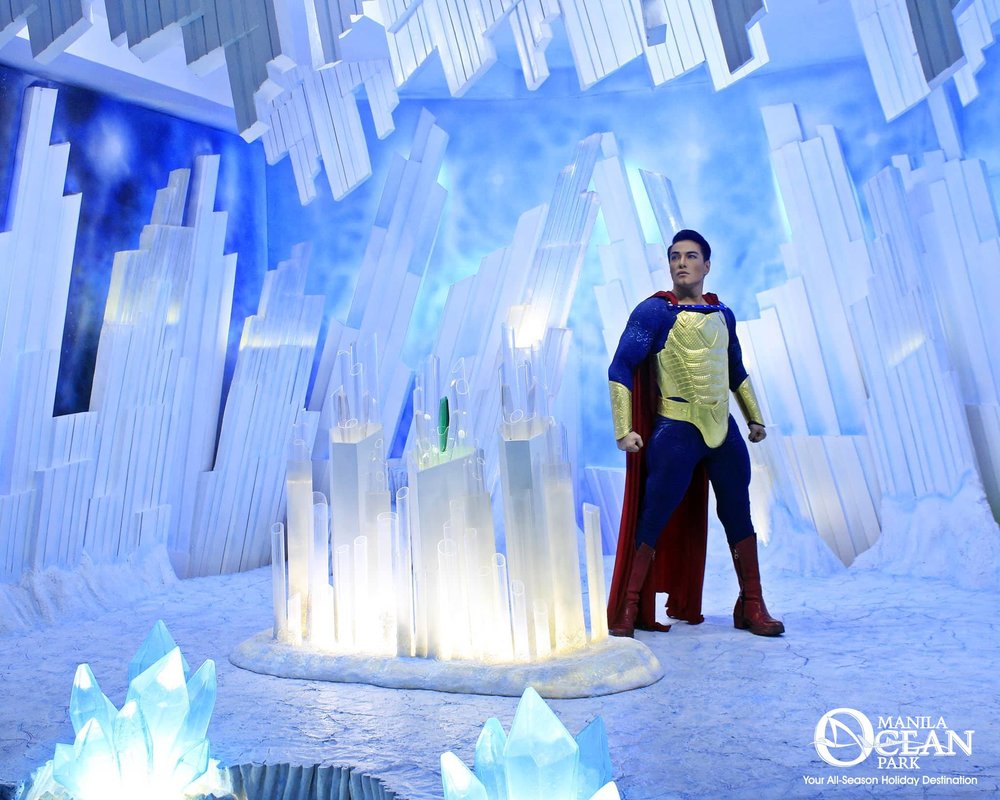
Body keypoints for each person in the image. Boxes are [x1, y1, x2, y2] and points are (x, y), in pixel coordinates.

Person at [606, 229, 784, 638]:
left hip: (723, 429)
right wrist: (623, 430)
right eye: (674, 256)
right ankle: (630, 606)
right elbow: (620, 367)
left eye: (690, 256)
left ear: (707, 264)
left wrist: (755, 418)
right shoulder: (653, 312)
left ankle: (752, 604)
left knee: (738, 512)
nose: (681, 263)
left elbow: (735, 370)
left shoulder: (723, 314)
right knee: (653, 515)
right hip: (676, 427)